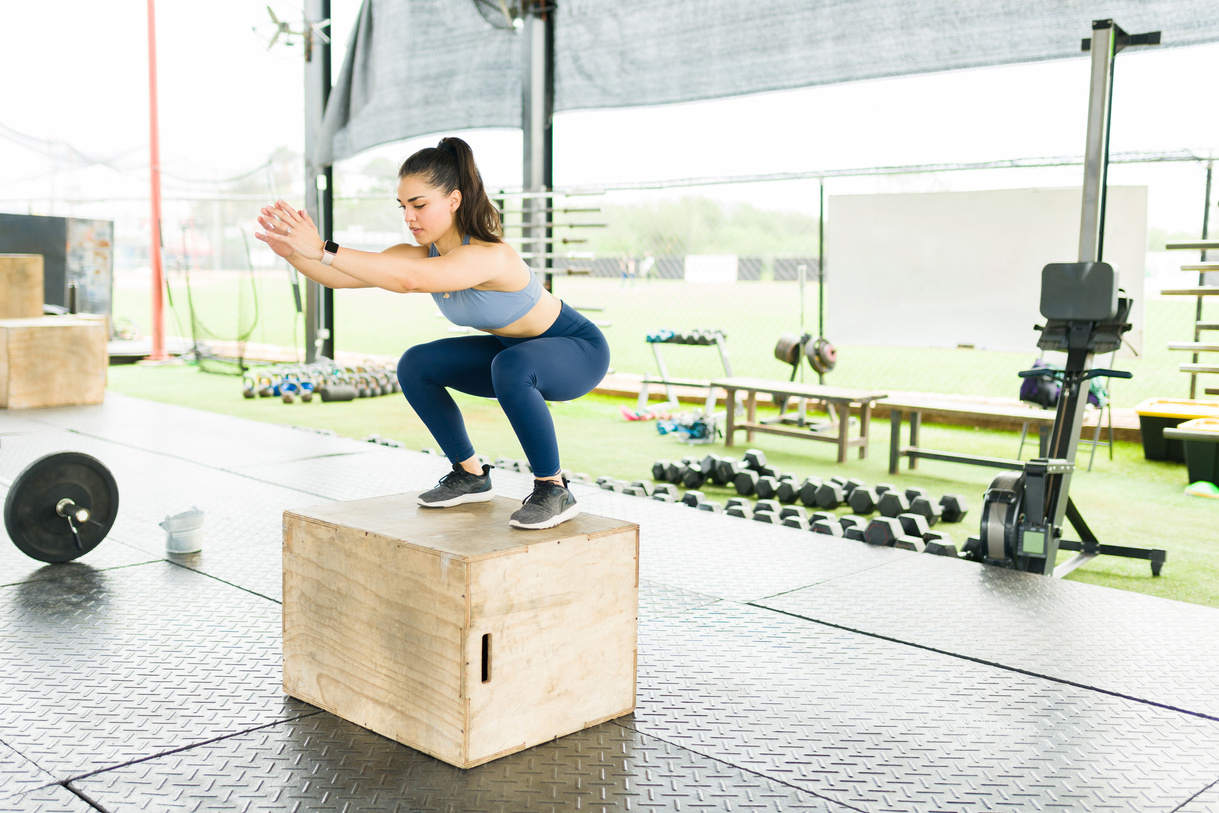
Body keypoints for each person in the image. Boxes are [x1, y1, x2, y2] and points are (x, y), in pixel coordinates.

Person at [254, 136, 610, 530]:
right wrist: (292, 251)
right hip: (515, 354)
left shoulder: (488, 255)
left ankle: (553, 488)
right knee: (417, 364)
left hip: (578, 352)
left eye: (419, 205)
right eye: (403, 206)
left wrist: (322, 246)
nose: (409, 217)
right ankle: (471, 475)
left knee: (511, 364)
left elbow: (410, 281)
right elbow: (338, 277)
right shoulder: (423, 254)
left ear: (454, 201)